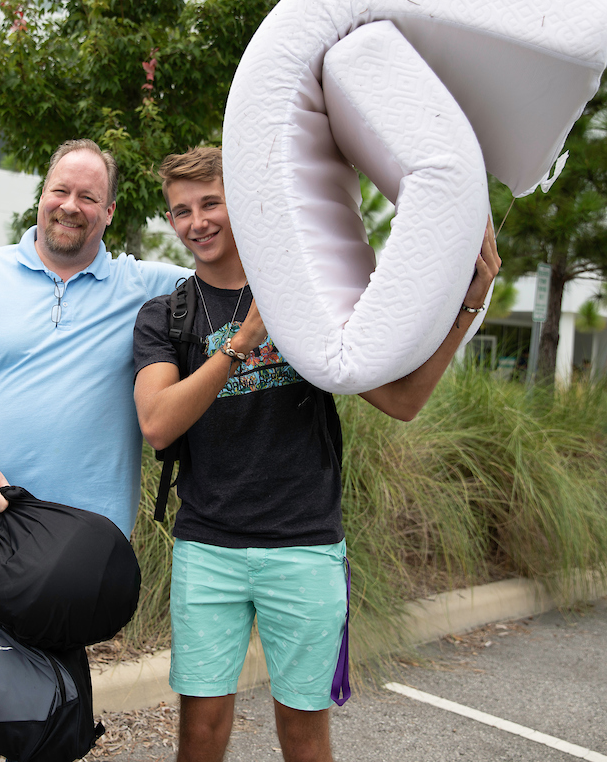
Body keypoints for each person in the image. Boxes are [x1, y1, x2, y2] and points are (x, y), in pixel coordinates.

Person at [131, 147, 501, 762]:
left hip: (304, 548)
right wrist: (243, 343)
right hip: (208, 548)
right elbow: (158, 424)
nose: (197, 222)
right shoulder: (166, 315)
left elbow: (403, 400)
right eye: (181, 211)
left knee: (304, 734)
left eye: (211, 203)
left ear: (242, 203)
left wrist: (469, 301)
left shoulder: (306, 301)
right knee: (199, 732)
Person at [0, 139, 190, 597]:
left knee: (54, 673)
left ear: (110, 211)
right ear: (42, 196)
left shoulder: (147, 288)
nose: (70, 207)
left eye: (88, 197)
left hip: (77, 550)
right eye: (60, 191)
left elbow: (229, 282)